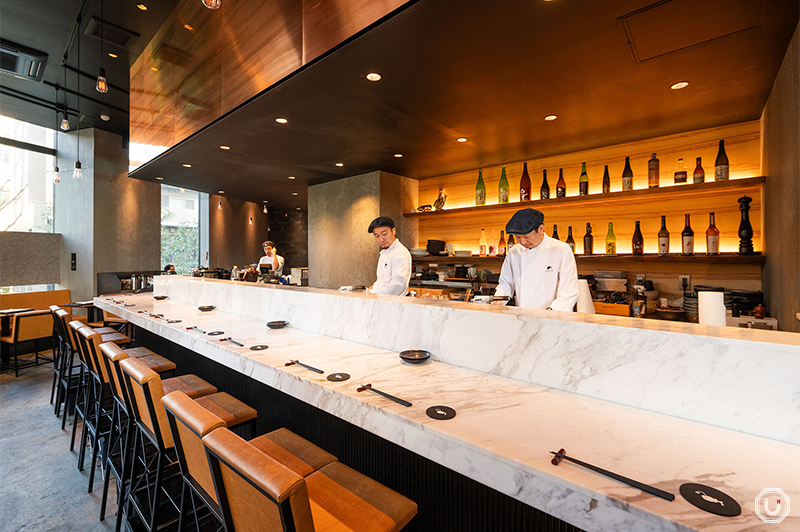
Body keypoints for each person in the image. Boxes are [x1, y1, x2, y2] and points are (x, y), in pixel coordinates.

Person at [493, 208, 578, 311]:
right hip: (523, 316)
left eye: (527, 236)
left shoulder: (561, 250)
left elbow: (569, 291)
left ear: (541, 229)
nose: (523, 242)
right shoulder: (514, 252)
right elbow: (506, 284)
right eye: (518, 237)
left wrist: (551, 312)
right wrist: (498, 300)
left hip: (553, 317)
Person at [367, 216, 411, 296]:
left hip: (392, 303)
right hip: (380, 300)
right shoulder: (385, 252)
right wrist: (368, 293)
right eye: (377, 236)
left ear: (393, 231)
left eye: (384, 234)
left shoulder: (400, 253)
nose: (381, 239)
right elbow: (381, 281)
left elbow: (398, 285)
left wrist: (374, 295)